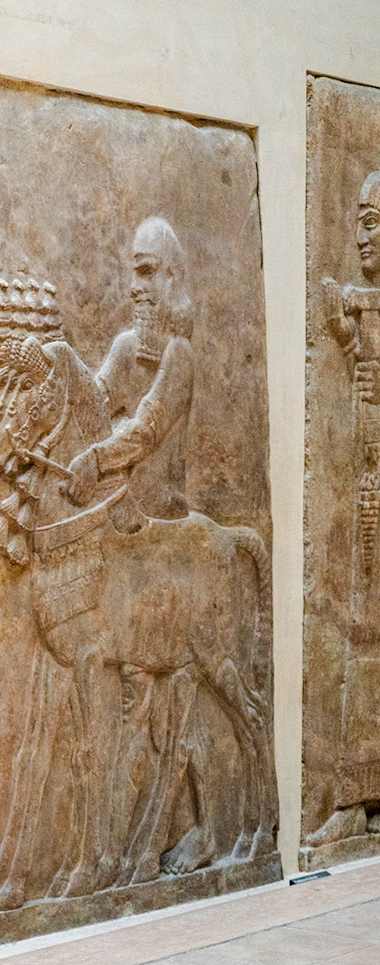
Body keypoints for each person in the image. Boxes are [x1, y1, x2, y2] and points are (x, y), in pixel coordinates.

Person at [310, 171, 380, 847]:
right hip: (369, 488)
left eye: (373, 220)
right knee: (361, 627)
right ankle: (357, 792)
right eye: (359, 219)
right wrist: (346, 328)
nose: (361, 234)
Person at [66, 216, 195, 519]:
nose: (135, 287)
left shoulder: (180, 354)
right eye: (135, 274)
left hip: (155, 516)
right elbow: (90, 406)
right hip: (114, 505)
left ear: (171, 278)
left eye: (147, 272)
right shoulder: (125, 346)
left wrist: (95, 461)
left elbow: (144, 432)